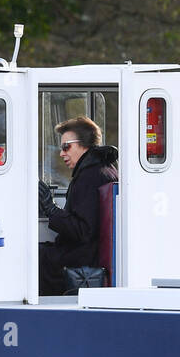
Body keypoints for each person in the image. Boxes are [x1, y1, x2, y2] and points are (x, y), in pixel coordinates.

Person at [38, 116, 118, 295]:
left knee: (34, 255)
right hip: (90, 251)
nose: (61, 153)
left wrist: (50, 209)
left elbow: (82, 230)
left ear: (85, 145)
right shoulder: (105, 169)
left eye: (67, 146)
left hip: (84, 257)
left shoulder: (89, 176)